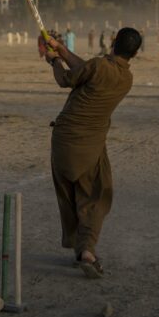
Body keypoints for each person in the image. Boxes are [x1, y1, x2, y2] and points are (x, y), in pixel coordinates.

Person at [45, 27, 141, 279]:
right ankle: (86, 250)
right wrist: (62, 49)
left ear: (113, 42)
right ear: (135, 53)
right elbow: (86, 69)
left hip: (64, 141)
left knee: (70, 198)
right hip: (91, 146)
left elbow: (67, 79)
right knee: (95, 197)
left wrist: (54, 59)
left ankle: (80, 248)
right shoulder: (125, 78)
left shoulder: (99, 66)